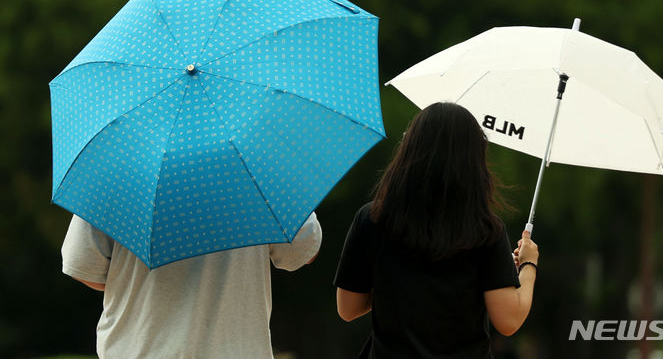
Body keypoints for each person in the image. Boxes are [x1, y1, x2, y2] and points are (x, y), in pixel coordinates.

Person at [333, 102, 539, 358]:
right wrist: (528, 266)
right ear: (473, 160)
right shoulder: (485, 231)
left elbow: (348, 308)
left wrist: (398, 285)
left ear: (410, 150)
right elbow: (508, 321)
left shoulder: (372, 219)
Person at [61, 212, 321, 358]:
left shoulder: (116, 167)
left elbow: (84, 267)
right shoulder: (259, 166)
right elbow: (304, 251)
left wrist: (142, 292)